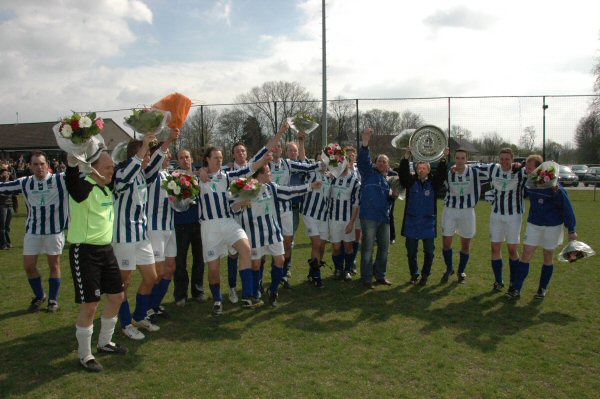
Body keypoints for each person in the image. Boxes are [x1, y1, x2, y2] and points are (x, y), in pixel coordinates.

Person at [65, 151, 127, 372]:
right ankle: (85, 355)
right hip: (85, 252)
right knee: (90, 305)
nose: (112, 171)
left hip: (106, 250)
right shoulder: (83, 188)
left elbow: (125, 169)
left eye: (113, 167)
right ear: (94, 168)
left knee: (117, 297)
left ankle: (105, 342)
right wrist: (72, 162)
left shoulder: (106, 187)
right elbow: (71, 180)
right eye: (108, 167)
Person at [113, 130, 178, 340]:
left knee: (152, 277)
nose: (149, 158)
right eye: (146, 154)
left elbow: (157, 162)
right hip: (123, 236)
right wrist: (143, 149)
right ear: (136, 155)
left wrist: (168, 140)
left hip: (141, 235)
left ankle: (139, 316)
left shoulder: (143, 173)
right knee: (123, 283)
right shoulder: (121, 172)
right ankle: (125, 324)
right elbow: (123, 182)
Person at [196, 144, 272, 315]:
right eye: (215, 157)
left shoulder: (227, 176)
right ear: (207, 159)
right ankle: (217, 300)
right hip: (209, 226)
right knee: (214, 269)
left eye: (221, 158)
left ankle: (246, 296)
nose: (219, 160)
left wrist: (263, 161)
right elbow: (179, 176)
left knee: (246, 249)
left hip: (228, 221)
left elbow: (249, 168)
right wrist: (199, 172)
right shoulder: (198, 178)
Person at [234, 164, 321, 306]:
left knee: (280, 260)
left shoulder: (272, 187)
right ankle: (256, 292)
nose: (271, 174)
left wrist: (310, 186)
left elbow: (290, 191)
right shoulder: (247, 189)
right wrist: (239, 204)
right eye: (268, 172)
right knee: (255, 264)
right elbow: (234, 206)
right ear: (260, 175)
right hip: (255, 233)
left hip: (273, 231)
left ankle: (273, 291)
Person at [0, 151, 68, 312]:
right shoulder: (25, 182)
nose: (39, 167)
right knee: (29, 266)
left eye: (42, 164)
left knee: (54, 264)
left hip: (54, 231)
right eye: (35, 164)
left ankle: (53, 300)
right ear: (30, 167)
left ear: (48, 166)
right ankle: (40, 295)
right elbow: (4, 187)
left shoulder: (60, 179)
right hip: (33, 231)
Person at [506, 156, 577, 299]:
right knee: (526, 254)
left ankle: (542, 289)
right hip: (534, 224)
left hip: (552, 226)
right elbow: (518, 176)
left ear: (540, 169)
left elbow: (567, 209)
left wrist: (572, 229)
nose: (527, 170)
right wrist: (517, 166)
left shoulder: (556, 188)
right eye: (526, 167)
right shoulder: (531, 183)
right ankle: (516, 289)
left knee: (547, 256)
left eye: (530, 167)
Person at [397, 147, 448, 285]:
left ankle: (425, 275)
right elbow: (402, 174)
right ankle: (414, 275)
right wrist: (406, 158)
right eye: (419, 167)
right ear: (416, 169)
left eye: (424, 168)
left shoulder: (433, 183)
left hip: (428, 223)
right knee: (412, 252)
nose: (421, 170)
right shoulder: (411, 181)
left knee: (429, 252)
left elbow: (442, 175)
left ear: (428, 170)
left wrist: (443, 159)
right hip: (411, 223)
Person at [480, 148, 527, 292]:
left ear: (513, 159)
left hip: (514, 216)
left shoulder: (520, 172)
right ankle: (498, 281)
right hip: (496, 215)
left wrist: (523, 164)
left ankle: (513, 282)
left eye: (507, 159)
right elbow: (473, 168)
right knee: (495, 248)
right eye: (502, 159)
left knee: (512, 249)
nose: (504, 161)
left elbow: (535, 167)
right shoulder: (493, 169)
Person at [358, 128, 398, 289]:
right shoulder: (368, 173)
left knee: (384, 249)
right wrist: (365, 142)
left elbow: (388, 201)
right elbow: (363, 160)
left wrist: (393, 197)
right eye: (379, 161)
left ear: (388, 166)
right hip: (369, 217)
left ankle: (380, 275)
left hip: (384, 218)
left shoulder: (389, 181)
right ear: (375, 163)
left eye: (385, 161)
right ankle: (367, 278)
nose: (381, 163)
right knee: (367, 249)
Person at [440, 148, 484, 284]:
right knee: (446, 242)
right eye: (457, 158)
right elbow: (437, 177)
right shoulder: (449, 173)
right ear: (454, 158)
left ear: (467, 159)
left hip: (467, 211)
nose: (459, 161)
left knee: (466, 244)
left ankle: (461, 271)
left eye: (462, 158)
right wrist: (443, 157)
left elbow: (492, 168)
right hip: (450, 210)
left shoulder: (474, 171)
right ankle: (449, 268)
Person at [145, 146, 176, 320]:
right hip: (155, 227)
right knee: (157, 272)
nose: (169, 155)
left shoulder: (169, 175)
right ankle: (147, 308)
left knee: (170, 268)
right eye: (166, 152)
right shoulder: (150, 174)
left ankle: (155, 304)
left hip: (169, 227)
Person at [173, 149, 206, 306]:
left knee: (199, 259)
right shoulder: (173, 179)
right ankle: (180, 295)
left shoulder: (199, 177)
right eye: (181, 158)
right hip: (180, 224)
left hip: (198, 224)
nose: (185, 160)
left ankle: (198, 291)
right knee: (180, 262)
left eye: (187, 157)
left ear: (192, 159)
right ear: (178, 160)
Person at [329, 157, 360, 281]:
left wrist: (352, 222)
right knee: (336, 247)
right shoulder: (332, 177)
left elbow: (356, 203)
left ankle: (347, 270)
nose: (342, 163)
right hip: (333, 218)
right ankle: (338, 269)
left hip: (347, 219)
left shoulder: (354, 181)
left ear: (348, 162)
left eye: (345, 161)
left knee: (348, 246)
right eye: (340, 161)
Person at [302, 154, 331, 288]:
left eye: (325, 160)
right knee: (316, 243)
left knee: (322, 247)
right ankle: (317, 277)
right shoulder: (312, 173)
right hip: (310, 214)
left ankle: (312, 272)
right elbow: (303, 158)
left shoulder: (330, 176)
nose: (323, 163)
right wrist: (302, 141)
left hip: (324, 216)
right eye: (320, 160)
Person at [0, 168, 18, 250]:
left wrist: (15, 207)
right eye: (4, 174)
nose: (6, 175)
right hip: (2, 206)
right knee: (2, 226)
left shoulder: (11, 184)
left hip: (10, 206)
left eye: (7, 173)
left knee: (7, 226)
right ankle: (3, 244)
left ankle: (8, 242)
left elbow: (14, 196)